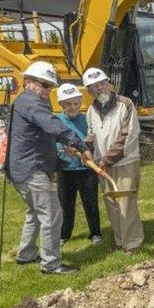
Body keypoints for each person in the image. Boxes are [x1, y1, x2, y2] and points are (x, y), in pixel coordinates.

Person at [8, 61, 91, 274]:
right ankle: (51, 264)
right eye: (44, 85)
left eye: (50, 87)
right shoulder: (31, 103)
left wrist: (63, 150)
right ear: (28, 82)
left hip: (24, 167)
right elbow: (52, 125)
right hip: (30, 169)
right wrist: (80, 144)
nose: (47, 90)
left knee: (35, 213)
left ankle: (26, 255)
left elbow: (42, 135)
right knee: (52, 215)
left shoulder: (27, 102)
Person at [83, 68, 144, 253]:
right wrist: (84, 148)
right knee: (112, 204)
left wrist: (107, 159)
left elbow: (129, 136)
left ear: (109, 84)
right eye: (93, 86)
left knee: (126, 203)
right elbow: (91, 135)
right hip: (104, 165)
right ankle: (120, 241)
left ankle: (133, 242)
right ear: (88, 91)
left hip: (125, 162)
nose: (99, 88)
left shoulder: (125, 104)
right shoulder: (91, 110)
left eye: (101, 83)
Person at [54, 83, 102, 246]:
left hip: (87, 170)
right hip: (66, 170)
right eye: (68, 104)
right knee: (66, 205)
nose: (72, 107)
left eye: (76, 103)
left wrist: (88, 148)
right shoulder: (56, 121)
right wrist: (61, 150)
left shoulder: (87, 118)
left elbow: (94, 139)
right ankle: (64, 234)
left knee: (91, 203)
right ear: (60, 104)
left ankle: (95, 233)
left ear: (81, 102)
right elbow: (52, 143)